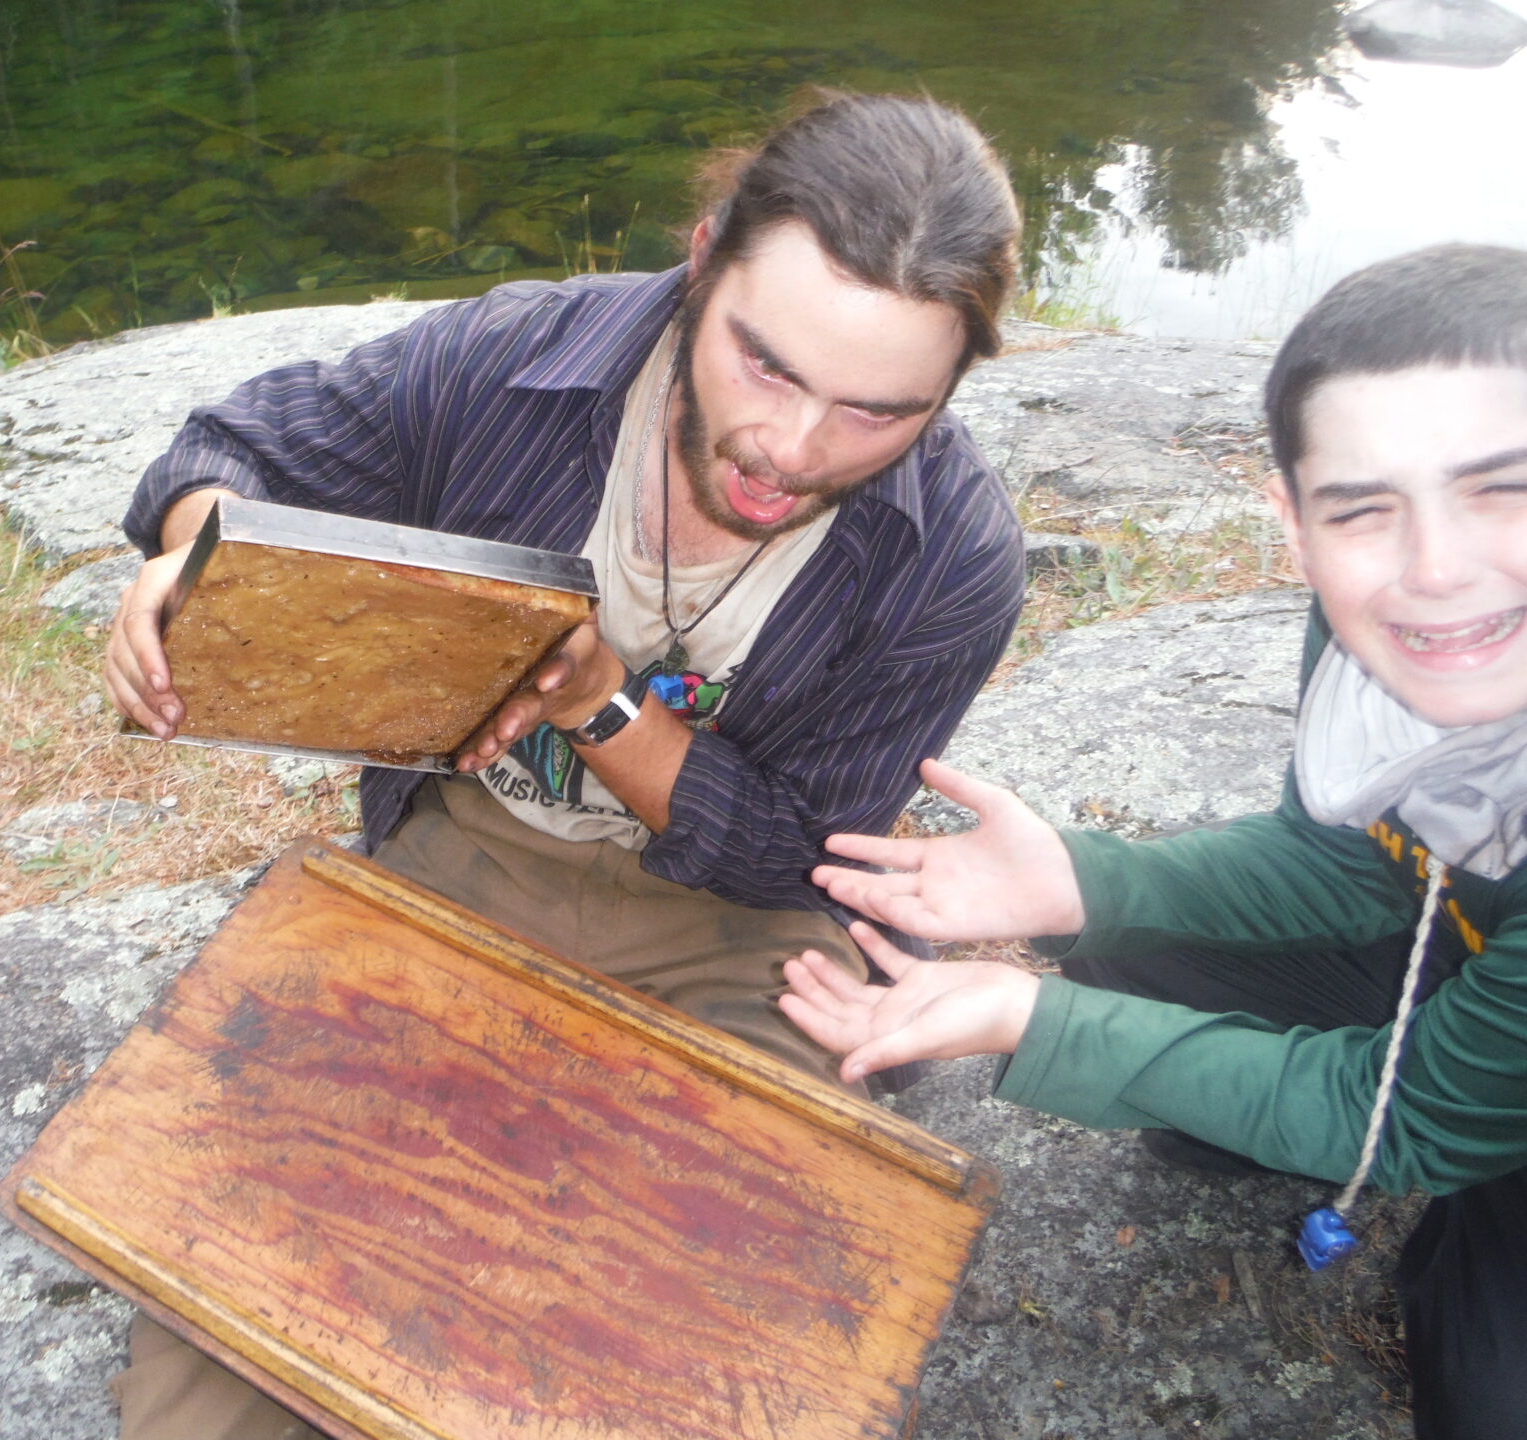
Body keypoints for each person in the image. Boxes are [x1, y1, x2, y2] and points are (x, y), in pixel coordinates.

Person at [102, 90, 1025, 1439]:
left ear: (946, 391)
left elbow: (800, 858)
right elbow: (229, 447)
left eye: (876, 411)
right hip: (465, 856)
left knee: (713, 1346)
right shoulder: (514, 356)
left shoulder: (954, 554)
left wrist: (602, 705)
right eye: (766, 367)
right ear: (705, 257)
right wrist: (197, 551)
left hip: (741, 937)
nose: (794, 448)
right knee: (236, 1346)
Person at [781, 243, 1527, 1440]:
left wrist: (1029, 1021)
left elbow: (1425, 1118)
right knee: (1128, 945)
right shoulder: (1379, 619)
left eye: (1505, 486)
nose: (1438, 569)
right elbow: (1341, 859)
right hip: (1477, 971)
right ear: (1293, 516)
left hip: (1474, 1059)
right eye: (1365, 505)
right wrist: (1079, 880)